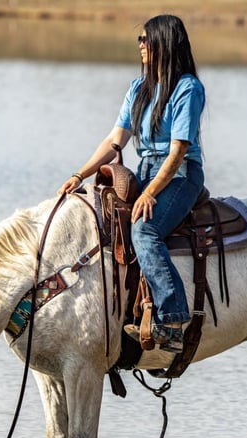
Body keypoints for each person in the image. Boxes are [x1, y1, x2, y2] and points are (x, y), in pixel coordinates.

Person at [58, 14, 206, 353]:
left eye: (145, 39)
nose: (140, 45)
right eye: (139, 39)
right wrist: (79, 174)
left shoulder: (187, 88)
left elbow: (179, 149)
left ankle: (171, 318)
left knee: (144, 230)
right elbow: (115, 141)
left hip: (181, 173)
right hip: (147, 167)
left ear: (165, 43)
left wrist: (150, 193)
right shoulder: (138, 88)